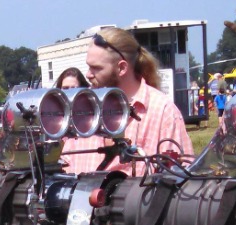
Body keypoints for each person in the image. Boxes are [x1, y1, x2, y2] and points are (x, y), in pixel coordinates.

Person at [64, 27, 194, 175]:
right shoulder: (83, 109)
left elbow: (179, 177)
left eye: (96, 68)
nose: (88, 74)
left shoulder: (163, 112)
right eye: (88, 67)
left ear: (122, 68)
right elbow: (66, 166)